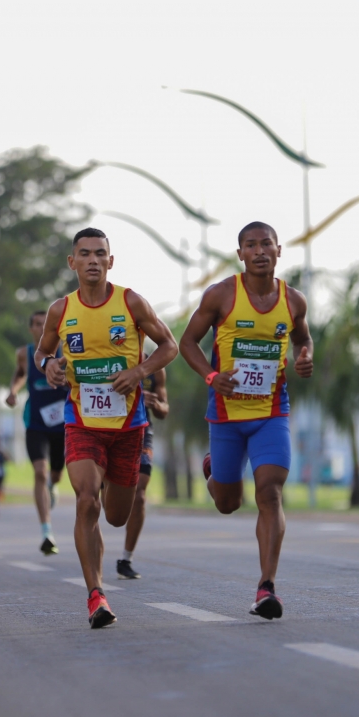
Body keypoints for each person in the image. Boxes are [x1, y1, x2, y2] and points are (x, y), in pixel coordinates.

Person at [37, 227, 178, 629]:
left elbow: (169, 345)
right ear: (72, 262)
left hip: (128, 428)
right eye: (85, 254)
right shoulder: (61, 310)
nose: (93, 260)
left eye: (100, 253)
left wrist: (139, 371)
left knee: (115, 515)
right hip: (82, 422)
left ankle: (106, 508)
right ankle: (95, 595)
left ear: (110, 261)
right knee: (86, 501)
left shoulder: (130, 302)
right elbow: (42, 352)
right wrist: (48, 366)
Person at [179, 221, 313, 620]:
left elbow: (303, 338)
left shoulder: (293, 301)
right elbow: (187, 342)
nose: (259, 251)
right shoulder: (221, 295)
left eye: (266, 244)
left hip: (271, 413)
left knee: (270, 493)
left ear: (278, 250)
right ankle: (215, 470)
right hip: (226, 416)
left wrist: (305, 356)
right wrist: (211, 376)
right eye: (250, 245)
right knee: (228, 503)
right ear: (240, 254)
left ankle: (266, 587)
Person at [5, 309, 67, 555]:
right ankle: (46, 533)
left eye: (46, 323)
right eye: (37, 324)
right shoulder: (25, 354)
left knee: (55, 475)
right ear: (31, 329)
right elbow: (21, 373)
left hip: (64, 425)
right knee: (40, 472)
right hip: (36, 423)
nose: (42, 328)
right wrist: (13, 391)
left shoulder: (66, 351)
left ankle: (53, 486)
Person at [116, 367, 168, 580]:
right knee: (107, 500)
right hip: (110, 427)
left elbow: (164, 409)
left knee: (139, 495)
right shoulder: (110, 355)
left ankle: (126, 559)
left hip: (142, 429)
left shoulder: (155, 368)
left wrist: (155, 404)